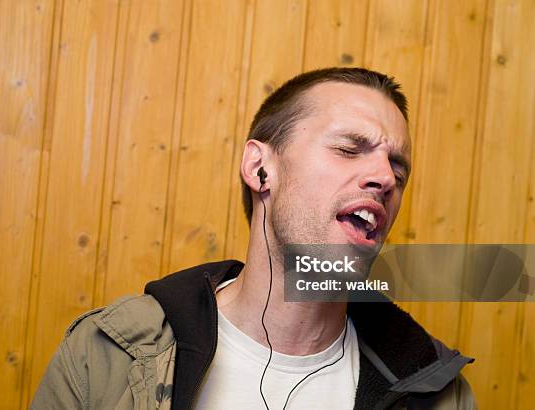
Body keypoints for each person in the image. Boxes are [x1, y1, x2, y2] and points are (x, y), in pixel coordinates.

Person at [31, 67, 476, 409]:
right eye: (347, 149)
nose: (384, 178)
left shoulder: (438, 392)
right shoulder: (108, 355)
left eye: (398, 171)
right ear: (260, 169)